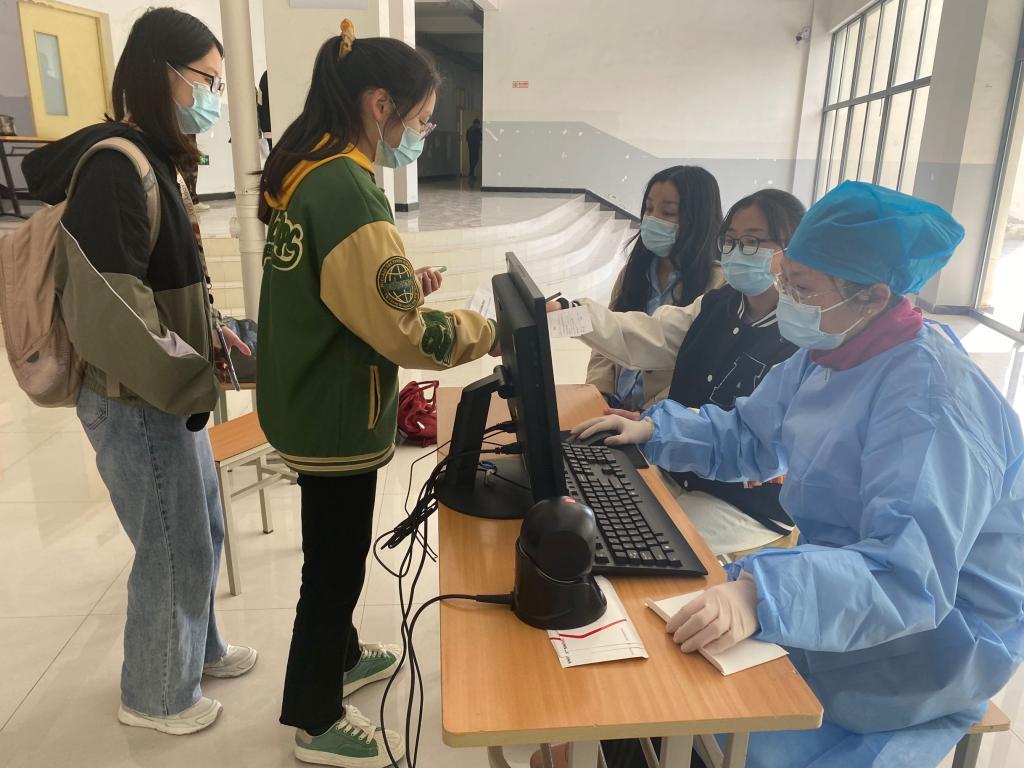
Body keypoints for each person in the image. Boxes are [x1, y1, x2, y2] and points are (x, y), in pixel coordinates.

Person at [575, 181, 1024, 767]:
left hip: (924, 645)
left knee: (722, 727)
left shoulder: (932, 404)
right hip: (833, 588)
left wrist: (762, 593)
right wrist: (656, 432)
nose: (784, 297)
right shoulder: (831, 351)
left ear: (874, 296)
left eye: (803, 288)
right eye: (785, 278)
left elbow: (907, 577)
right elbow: (752, 436)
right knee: (659, 680)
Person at [258, 19, 497, 768]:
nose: (424, 134)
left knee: (334, 549)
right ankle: (315, 715)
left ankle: (342, 653)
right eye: (422, 120)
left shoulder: (312, 168)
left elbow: (342, 290)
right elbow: (402, 334)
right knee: (334, 566)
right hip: (336, 409)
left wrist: (400, 286)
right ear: (379, 104)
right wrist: (484, 332)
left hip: (308, 391)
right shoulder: (348, 188)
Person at [22, 7, 255, 736]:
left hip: (164, 389)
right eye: (205, 81)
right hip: (136, 397)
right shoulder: (115, 169)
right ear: (162, 75)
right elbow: (112, 314)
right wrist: (190, 379)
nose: (212, 97)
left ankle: (197, 650)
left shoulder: (153, 157)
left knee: (200, 528)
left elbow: (162, 276)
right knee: (170, 544)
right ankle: (155, 693)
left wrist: (208, 339)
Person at [563, 189, 805, 557]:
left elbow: (755, 437)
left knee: (637, 544)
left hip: (742, 503)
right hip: (675, 467)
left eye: (753, 242)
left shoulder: (801, 338)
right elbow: (645, 334)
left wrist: (655, 426)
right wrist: (571, 315)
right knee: (589, 515)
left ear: (791, 250)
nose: (737, 252)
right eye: (731, 240)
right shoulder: (717, 304)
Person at [588, 166, 724, 412]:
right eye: (649, 209)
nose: (652, 220)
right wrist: (599, 394)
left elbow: (699, 366)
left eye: (668, 212)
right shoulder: (633, 273)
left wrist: (646, 415)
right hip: (612, 407)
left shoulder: (717, 285)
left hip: (658, 418)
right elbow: (607, 339)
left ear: (699, 219)